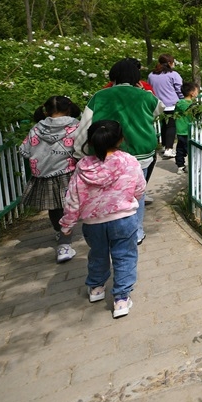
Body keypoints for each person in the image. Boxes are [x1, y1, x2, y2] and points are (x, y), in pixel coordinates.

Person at [60, 120, 144, 319]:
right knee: (124, 256)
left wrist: (67, 225)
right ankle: (121, 299)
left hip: (93, 223)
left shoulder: (83, 166)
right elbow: (140, 187)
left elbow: (73, 197)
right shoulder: (129, 161)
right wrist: (131, 199)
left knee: (97, 254)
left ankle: (97, 288)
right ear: (121, 139)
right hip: (124, 219)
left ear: (91, 141)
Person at [74, 58, 162, 245]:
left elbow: (85, 125)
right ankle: (136, 231)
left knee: (109, 190)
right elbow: (158, 110)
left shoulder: (100, 96)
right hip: (141, 152)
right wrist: (144, 91)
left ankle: (107, 225)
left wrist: (79, 152)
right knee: (137, 192)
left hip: (108, 152)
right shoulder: (145, 96)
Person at [20, 95, 80, 264]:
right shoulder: (76, 126)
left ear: (46, 110)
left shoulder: (37, 128)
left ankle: (59, 232)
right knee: (71, 206)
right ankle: (64, 244)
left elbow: (25, 151)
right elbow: (83, 147)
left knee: (55, 208)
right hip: (69, 172)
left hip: (45, 173)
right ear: (69, 108)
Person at [147, 54, 183, 159]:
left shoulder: (151, 75)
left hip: (158, 104)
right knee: (171, 126)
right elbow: (179, 89)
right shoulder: (173, 75)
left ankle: (164, 146)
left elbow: (150, 88)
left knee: (164, 125)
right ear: (169, 63)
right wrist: (182, 99)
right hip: (172, 104)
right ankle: (169, 148)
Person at [174, 82, 198, 174]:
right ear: (192, 93)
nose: (197, 93)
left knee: (180, 148)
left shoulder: (185, 103)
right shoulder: (183, 103)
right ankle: (187, 165)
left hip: (183, 130)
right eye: (196, 91)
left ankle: (181, 165)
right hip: (185, 130)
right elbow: (189, 109)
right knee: (187, 149)